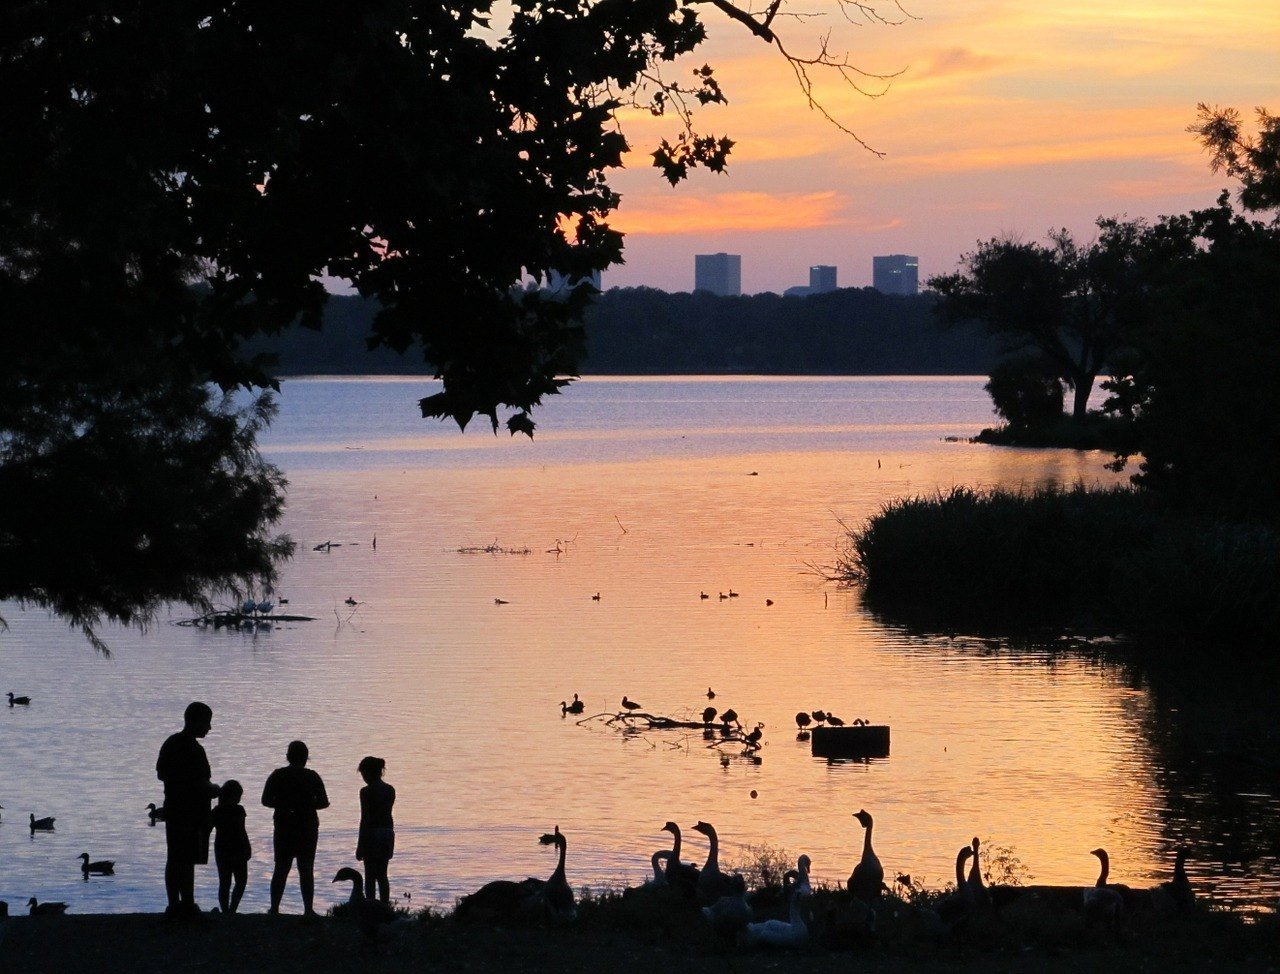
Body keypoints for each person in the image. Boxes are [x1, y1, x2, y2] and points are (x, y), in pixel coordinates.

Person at [156, 701, 220, 917]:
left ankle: (175, 904)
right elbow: (200, 783)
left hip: (173, 809)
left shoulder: (170, 743)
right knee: (186, 860)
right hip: (190, 812)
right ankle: (188, 904)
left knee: (175, 857)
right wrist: (216, 790)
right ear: (196, 721)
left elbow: (162, 774)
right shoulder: (194, 750)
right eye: (207, 722)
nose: (209, 728)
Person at [262, 740, 329, 915]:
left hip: (284, 825)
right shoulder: (312, 776)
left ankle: (274, 908)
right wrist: (306, 804)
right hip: (307, 826)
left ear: (287, 757)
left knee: (281, 867)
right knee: (306, 868)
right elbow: (323, 802)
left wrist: (284, 804)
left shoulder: (278, 775)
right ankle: (308, 909)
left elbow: (265, 800)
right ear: (306, 758)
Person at [356, 756, 396, 904]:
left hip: (372, 834)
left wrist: (360, 845)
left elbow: (365, 819)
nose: (363, 777)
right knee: (382, 875)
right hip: (387, 833)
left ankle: (371, 905)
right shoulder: (390, 790)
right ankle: (385, 906)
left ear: (368, 773)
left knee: (370, 875)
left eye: (363, 774)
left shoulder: (365, 792)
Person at [211, 780, 252, 914]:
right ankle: (229, 910)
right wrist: (247, 846)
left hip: (223, 848)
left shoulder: (218, 811)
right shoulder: (237, 810)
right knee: (235, 881)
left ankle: (228, 910)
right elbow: (242, 830)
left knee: (227, 881)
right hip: (235, 847)